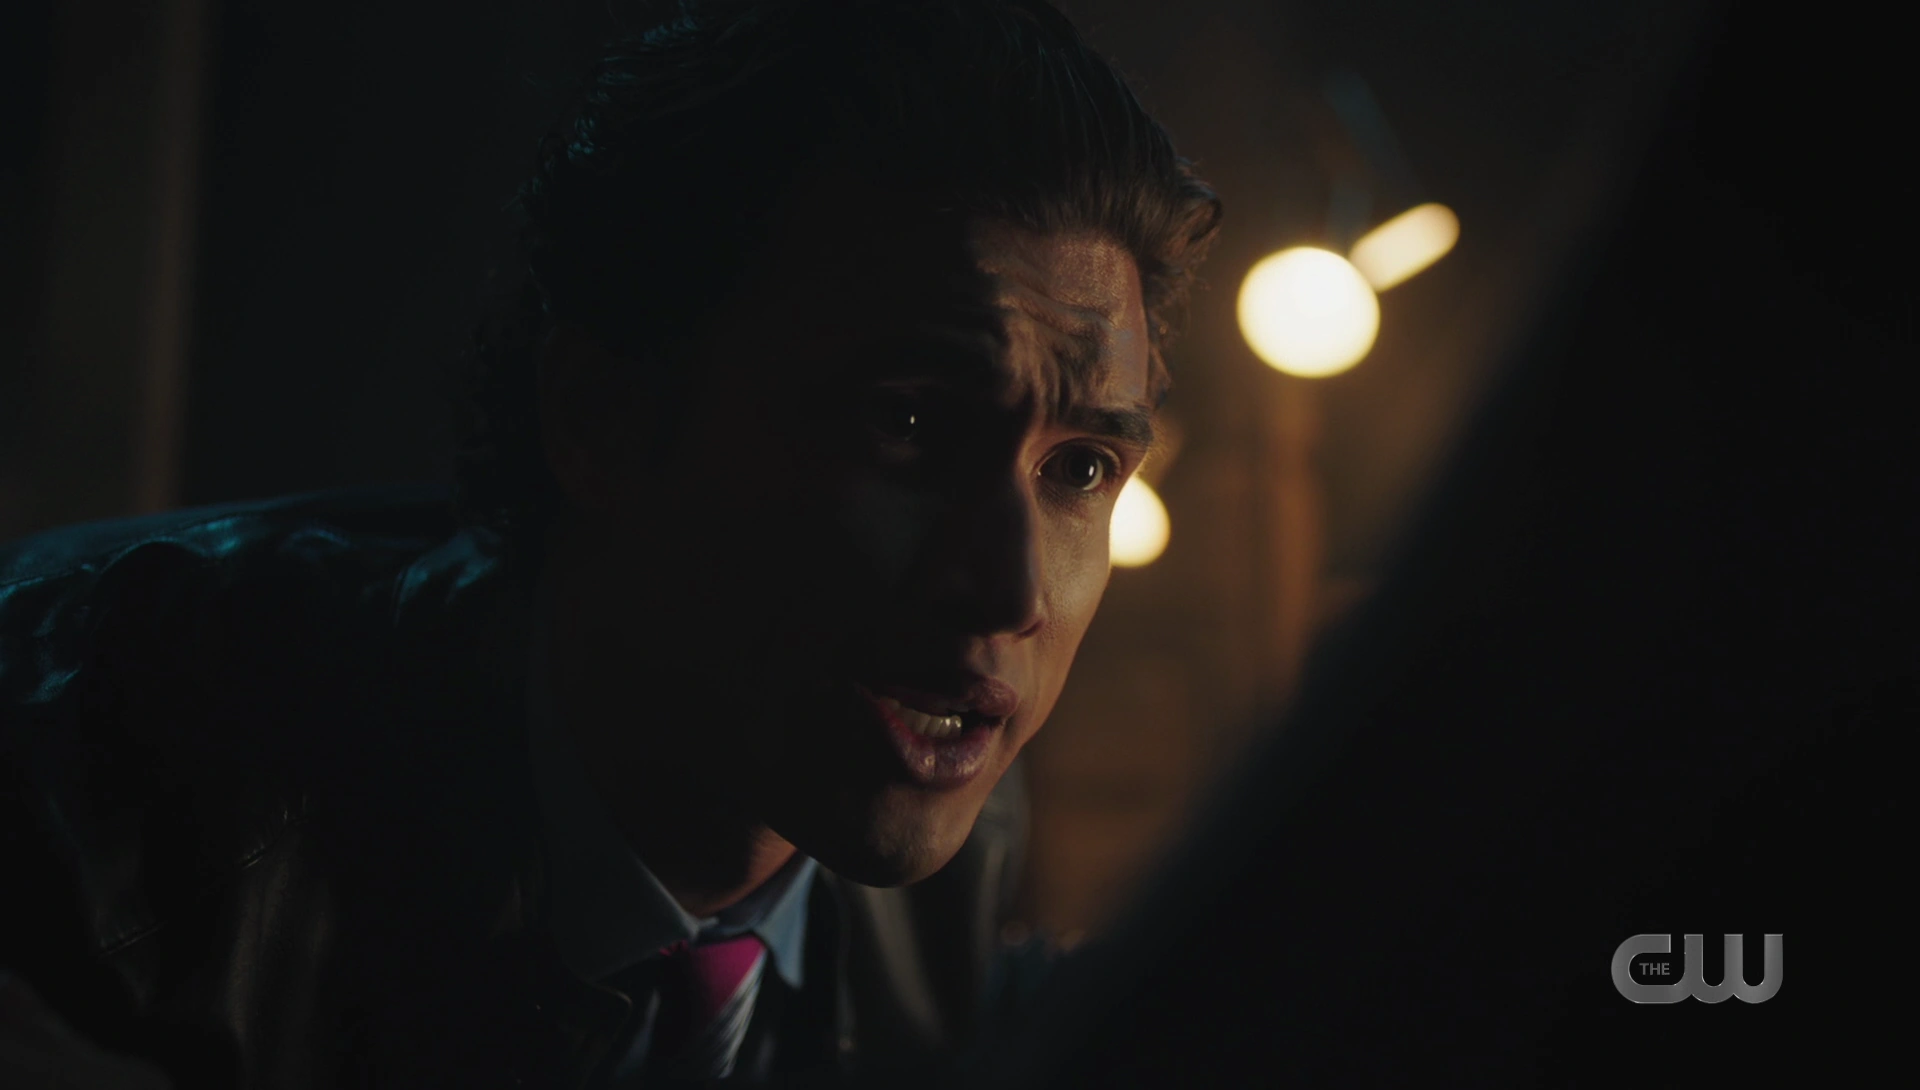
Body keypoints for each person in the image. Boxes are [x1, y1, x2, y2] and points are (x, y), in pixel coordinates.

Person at [0, 1, 1223, 1086]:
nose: (1008, 587)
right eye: (906, 424)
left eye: (1081, 468)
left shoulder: (936, 823)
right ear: (603, 420)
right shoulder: (110, 802)